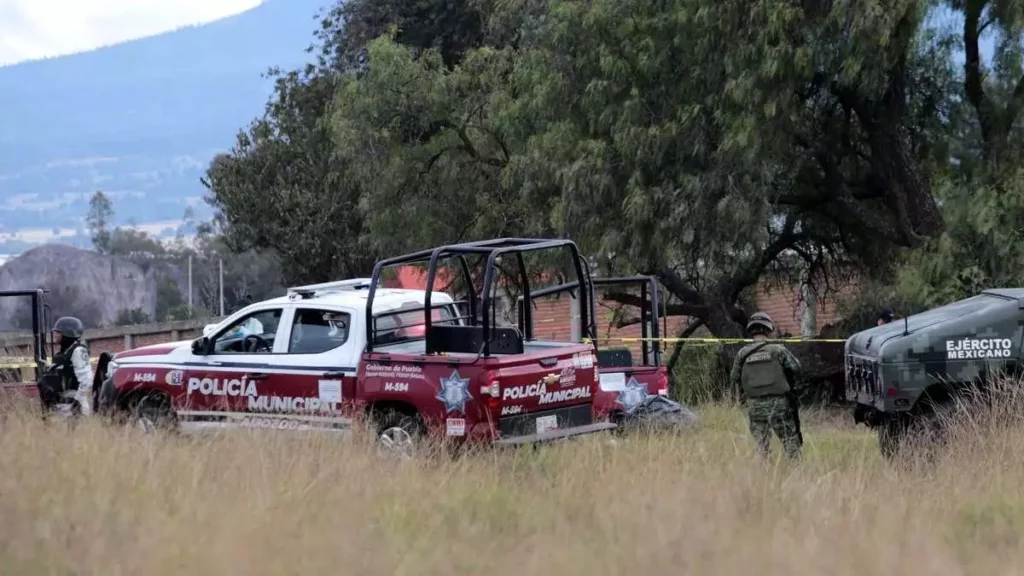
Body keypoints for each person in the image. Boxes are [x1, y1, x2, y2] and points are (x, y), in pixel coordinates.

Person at [729, 312, 803, 459]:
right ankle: (797, 476)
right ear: (768, 329)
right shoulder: (778, 349)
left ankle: (763, 476)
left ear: (751, 330)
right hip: (780, 405)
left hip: (755, 406)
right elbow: (797, 368)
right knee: (790, 444)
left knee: (761, 447)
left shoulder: (742, 353)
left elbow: (734, 378)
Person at [37, 316, 95, 416]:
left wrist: (77, 401)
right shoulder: (66, 351)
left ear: (67, 333)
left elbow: (87, 381)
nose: (55, 334)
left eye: (58, 332)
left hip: (73, 407)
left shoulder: (78, 351)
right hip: (63, 405)